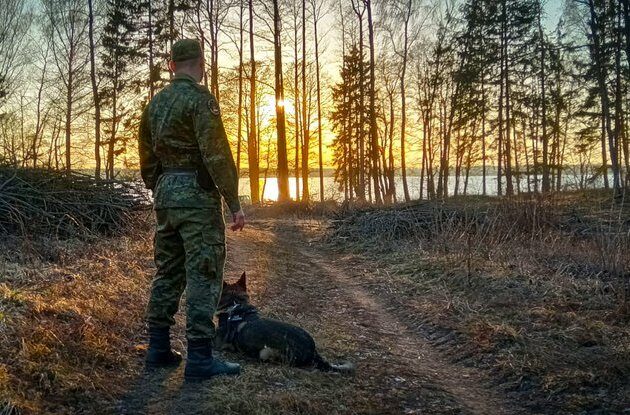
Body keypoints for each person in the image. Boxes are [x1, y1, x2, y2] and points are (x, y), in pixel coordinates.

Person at [137, 38, 245, 381]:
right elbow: (216, 155)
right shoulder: (201, 100)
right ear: (200, 63)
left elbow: (146, 158)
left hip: (167, 196)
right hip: (197, 198)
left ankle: (157, 349)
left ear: (172, 64)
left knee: (167, 270)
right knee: (204, 271)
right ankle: (199, 358)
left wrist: (162, 188)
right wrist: (234, 203)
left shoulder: (155, 104)